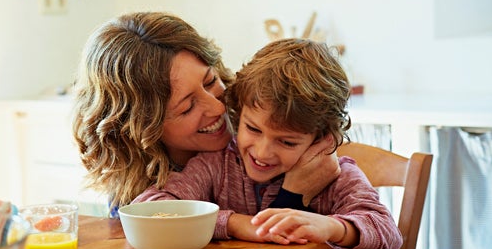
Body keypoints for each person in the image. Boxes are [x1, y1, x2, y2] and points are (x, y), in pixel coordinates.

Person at [134, 38, 403, 249]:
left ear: (321, 140)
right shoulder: (216, 165)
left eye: (286, 141)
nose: (262, 152)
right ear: (238, 114)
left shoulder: (337, 176)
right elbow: (151, 207)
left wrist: (335, 228)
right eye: (252, 129)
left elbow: (388, 232)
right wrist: (235, 223)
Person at [72, 12, 340, 217]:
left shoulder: (261, 137)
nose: (218, 108)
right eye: (187, 107)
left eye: (211, 81)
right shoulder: (140, 199)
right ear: (141, 127)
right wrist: (290, 197)